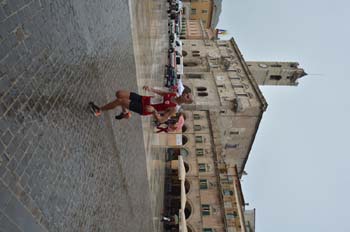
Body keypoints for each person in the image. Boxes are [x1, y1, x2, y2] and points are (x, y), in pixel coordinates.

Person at [89, 86, 192, 123]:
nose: (186, 94)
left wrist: (154, 112)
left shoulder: (174, 109)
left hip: (144, 108)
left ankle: (99, 110)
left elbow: (162, 120)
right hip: (143, 99)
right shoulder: (174, 94)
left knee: (121, 100)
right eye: (187, 94)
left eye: (188, 97)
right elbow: (162, 93)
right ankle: (126, 113)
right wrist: (151, 89)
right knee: (119, 93)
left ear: (186, 102)